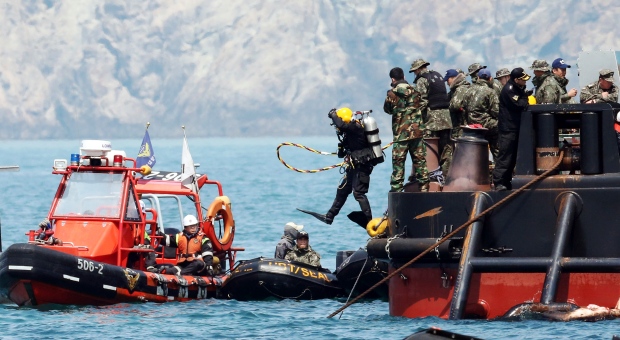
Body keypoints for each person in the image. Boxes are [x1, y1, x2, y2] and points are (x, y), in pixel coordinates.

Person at [315, 107, 375, 226]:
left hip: (362, 165)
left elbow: (342, 125)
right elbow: (341, 153)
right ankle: (330, 216)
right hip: (354, 165)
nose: (336, 127)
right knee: (342, 190)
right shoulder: (348, 133)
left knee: (358, 193)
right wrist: (342, 149)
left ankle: (369, 220)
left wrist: (333, 114)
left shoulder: (355, 127)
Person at [384, 67, 429, 192]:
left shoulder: (392, 93)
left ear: (393, 79)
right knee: (420, 161)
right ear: (403, 77)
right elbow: (422, 105)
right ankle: (424, 188)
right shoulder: (415, 91)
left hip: (401, 134)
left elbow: (387, 110)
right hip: (417, 132)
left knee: (398, 163)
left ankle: (396, 191)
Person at [492, 68, 532, 191]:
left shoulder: (517, 89)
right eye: (522, 80)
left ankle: (507, 181)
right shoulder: (509, 90)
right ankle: (499, 182)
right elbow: (520, 104)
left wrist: (524, 95)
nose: (525, 82)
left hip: (514, 127)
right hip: (508, 129)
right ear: (516, 80)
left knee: (513, 156)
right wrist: (525, 97)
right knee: (505, 156)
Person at [409, 59, 452, 170]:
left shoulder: (422, 80)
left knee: (431, 148)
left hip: (433, 120)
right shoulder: (438, 76)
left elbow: (421, 101)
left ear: (418, 69)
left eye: (414, 71)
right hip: (446, 118)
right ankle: (446, 175)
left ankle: (432, 174)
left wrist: (414, 116)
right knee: (446, 148)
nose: (414, 73)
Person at [462, 68, 500, 159]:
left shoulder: (468, 90)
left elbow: (464, 108)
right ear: (490, 79)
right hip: (487, 125)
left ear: (478, 78)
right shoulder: (491, 92)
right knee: (498, 149)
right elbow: (496, 111)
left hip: (472, 126)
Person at [443, 68, 471, 174]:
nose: (447, 82)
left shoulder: (461, 89)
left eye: (448, 80)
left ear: (453, 78)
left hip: (461, 126)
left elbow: (455, 105)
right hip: (457, 126)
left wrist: (447, 106)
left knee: (462, 153)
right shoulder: (455, 90)